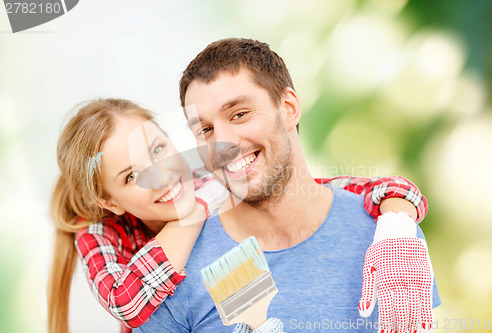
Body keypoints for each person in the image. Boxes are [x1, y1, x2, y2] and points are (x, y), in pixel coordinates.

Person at [136, 38, 440, 333]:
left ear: (289, 107)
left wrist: (401, 222)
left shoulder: (390, 239)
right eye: (205, 129)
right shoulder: (177, 271)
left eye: (239, 114)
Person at [47, 98, 428, 333]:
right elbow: (126, 302)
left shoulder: (207, 176)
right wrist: (192, 216)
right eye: (131, 176)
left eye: (159, 150)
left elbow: (336, 190)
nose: (161, 175)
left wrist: (396, 222)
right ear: (111, 202)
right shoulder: (99, 233)